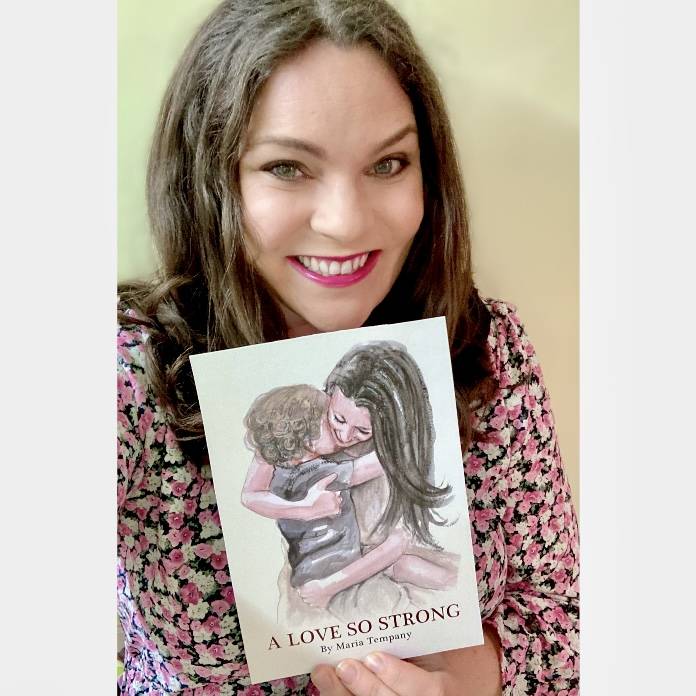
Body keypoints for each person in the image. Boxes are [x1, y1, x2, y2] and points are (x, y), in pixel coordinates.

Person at [117, 0, 579, 694]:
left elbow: (562, 616)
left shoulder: (485, 349)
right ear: (212, 181)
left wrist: (460, 683)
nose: (345, 222)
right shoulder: (138, 375)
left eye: (388, 163)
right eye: (287, 167)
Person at [240, 382, 457, 619]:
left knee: (405, 564)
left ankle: (453, 583)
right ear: (308, 435)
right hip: (332, 572)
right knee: (385, 586)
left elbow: (252, 494)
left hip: (325, 563)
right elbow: (381, 462)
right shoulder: (321, 472)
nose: (342, 435)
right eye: (332, 421)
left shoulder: (280, 474)